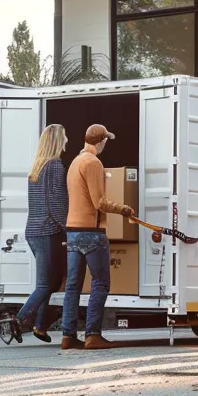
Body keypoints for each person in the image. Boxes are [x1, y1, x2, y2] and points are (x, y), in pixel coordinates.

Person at [61, 124, 134, 350]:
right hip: (91, 233)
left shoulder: (74, 162)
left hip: (72, 231)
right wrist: (124, 209)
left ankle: (67, 335)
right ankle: (93, 335)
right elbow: (99, 202)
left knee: (73, 286)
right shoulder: (93, 163)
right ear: (101, 141)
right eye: (105, 141)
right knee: (100, 283)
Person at [12, 124, 69, 344]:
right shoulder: (55, 166)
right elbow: (56, 202)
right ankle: (18, 320)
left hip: (34, 231)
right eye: (64, 138)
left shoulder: (37, 167)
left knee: (53, 282)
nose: (67, 141)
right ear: (57, 141)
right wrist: (69, 227)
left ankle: (40, 326)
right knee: (46, 284)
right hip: (48, 231)